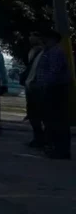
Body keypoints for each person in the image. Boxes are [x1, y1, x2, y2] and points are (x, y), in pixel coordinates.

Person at [36, 29, 72, 159]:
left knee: (58, 120)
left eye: (44, 38)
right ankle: (55, 147)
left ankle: (61, 150)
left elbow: (54, 72)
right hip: (51, 89)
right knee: (51, 120)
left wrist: (45, 85)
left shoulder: (56, 52)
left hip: (56, 89)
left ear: (52, 39)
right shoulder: (48, 51)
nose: (42, 40)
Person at [20, 32, 45, 148]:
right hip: (31, 85)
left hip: (37, 87)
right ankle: (38, 138)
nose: (30, 37)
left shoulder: (42, 52)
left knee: (37, 115)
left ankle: (40, 139)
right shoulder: (34, 50)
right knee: (33, 115)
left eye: (34, 35)